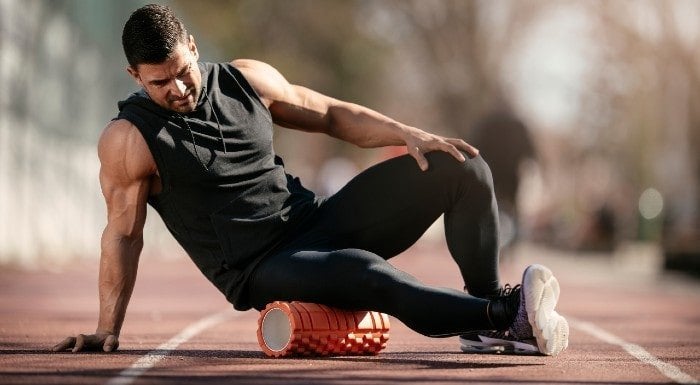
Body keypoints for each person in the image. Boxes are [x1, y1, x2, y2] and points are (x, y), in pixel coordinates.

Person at [52, 4, 568, 356]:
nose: (179, 88)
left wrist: (407, 133)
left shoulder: (244, 79)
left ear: (191, 46)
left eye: (184, 71)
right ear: (135, 77)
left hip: (313, 220)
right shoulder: (129, 140)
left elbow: (329, 114)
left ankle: (481, 318)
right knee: (367, 273)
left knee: (462, 167)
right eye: (159, 82)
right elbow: (123, 234)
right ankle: (503, 315)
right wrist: (106, 329)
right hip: (261, 266)